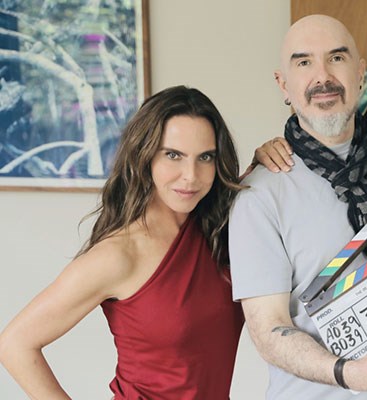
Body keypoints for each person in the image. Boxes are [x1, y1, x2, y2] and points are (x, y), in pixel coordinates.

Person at [229, 15, 367, 400]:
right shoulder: (259, 193)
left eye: (337, 57)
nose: (323, 76)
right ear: (283, 84)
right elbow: (268, 330)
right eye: (303, 62)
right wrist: (352, 374)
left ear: (360, 72)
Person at [0, 86, 245, 399]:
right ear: (145, 156)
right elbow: (14, 344)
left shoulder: (221, 229)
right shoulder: (119, 254)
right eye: (173, 155)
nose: (191, 176)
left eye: (205, 157)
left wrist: (269, 161)